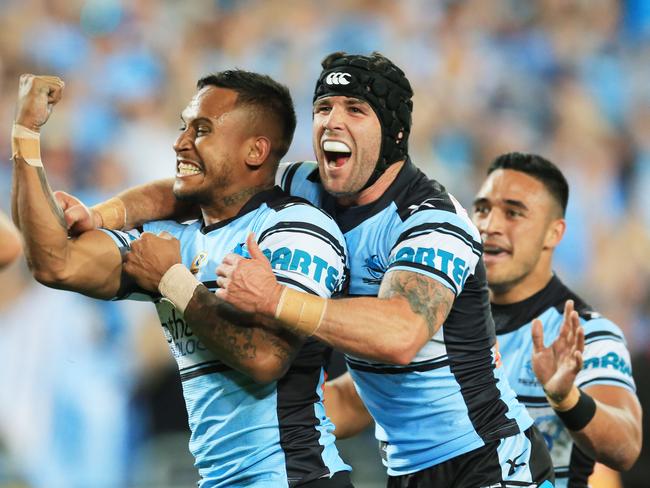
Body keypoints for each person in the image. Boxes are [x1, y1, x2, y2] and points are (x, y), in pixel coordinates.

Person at [68, 52, 555, 487]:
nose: (332, 123)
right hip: (406, 467)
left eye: (355, 110)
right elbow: (192, 188)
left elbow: (401, 334)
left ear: (395, 134)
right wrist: (101, 215)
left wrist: (277, 300)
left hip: (488, 456)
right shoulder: (305, 184)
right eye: (324, 108)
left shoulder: (429, 218)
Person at [11, 72, 354, 487]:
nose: (180, 142)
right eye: (184, 127)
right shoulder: (176, 238)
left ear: (255, 150)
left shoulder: (295, 227)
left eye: (202, 130)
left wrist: (172, 281)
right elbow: (55, 263)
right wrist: (26, 135)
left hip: (296, 479)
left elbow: (265, 358)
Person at [472, 152, 642, 486]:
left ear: (554, 233)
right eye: (483, 209)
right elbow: (354, 404)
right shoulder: (441, 326)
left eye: (513, 213)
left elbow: (626, 446)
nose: (490, 225)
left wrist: (567, 399)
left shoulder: (586, 335)